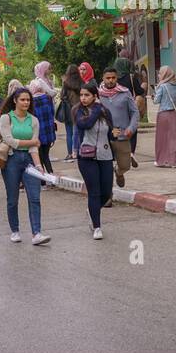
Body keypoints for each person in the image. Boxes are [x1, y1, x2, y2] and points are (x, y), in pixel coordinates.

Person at [0, 88, 50, 244]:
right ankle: (15, 230)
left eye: (28, 100)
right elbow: (10, 141)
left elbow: (35, 147)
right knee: (12, 199)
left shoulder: (34, 120)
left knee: (34, 197)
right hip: (11, 159)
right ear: (15, 100)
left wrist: (38, 165)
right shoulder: (6, 118)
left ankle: (37, 233)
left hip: (29, 160)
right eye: (22, 99)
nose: (26, 103)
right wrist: (32, 142)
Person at [73, 83, 114, 239]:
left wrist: (116, 134)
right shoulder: (78, 111)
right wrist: (96, 110)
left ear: (95, 96)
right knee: (94, 192)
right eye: (81, 95)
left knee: (106, 192)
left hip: (106, 155)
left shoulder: (105, 112)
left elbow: (110, 133)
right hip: (86, 156)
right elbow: (85, 124)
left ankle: (92, 210)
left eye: (87, 95)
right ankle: (97, 227)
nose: (83, 98)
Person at [98, 67, 139, 189]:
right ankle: (107, 197)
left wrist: (131, 128)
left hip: (122, 135)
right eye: (108, 78)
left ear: (117, 78)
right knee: (105, 168)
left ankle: (119, 172)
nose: (110, 80)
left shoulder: (125, 93)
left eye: (113, 78)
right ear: (103, 78)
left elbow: (135, 112)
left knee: (125, 165)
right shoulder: (97, 95)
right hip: (104, 137)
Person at [114, 56, 142, 166]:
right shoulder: (131, 77)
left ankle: (120, 155)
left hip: (117, 108)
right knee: (132, 130)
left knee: (118, 131)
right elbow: (139, 91)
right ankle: (130, 153)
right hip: (130, 107)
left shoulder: (113, 78)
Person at [152, 65, 176, 168]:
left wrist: (155, 92)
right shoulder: (175, 85)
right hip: (173, 114)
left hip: (163, 114)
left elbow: (156, 101)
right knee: (173, 137)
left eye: (160, 73)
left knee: (162, 138)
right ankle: (174, 161)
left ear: (164, 74)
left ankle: (162, 160)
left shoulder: (162, 86)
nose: (159, 75)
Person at [30, 79, 57, 175]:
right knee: (46, 155)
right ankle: (51, 174)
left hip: (38, 134)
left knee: (39, 156)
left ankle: (43, 180)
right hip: (49, 131)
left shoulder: (31, 102)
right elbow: (52, 113)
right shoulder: (48, 98)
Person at [61, 64, 83, 160]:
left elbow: (62, 96)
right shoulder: (81, 82)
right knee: (78, 132)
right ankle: (78, 151)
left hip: (68, 109)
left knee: (69, 133)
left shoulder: (66, 83)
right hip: (79, 109)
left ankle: (70, 153)